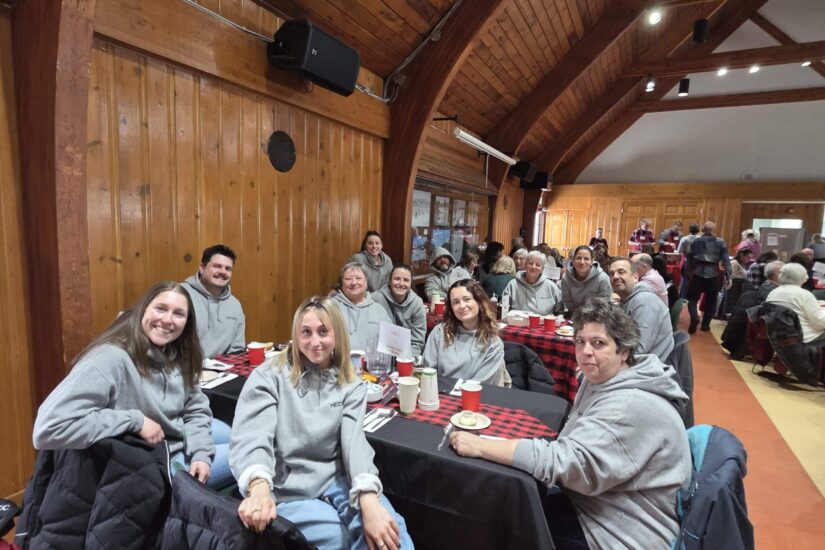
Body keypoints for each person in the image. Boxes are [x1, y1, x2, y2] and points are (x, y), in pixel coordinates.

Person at [449, 298, 691, 549]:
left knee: (502, 520)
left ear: (624, 351)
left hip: (621, 532)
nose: (586, 351)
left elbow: (565, 464)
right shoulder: (604, 378)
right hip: (600, 502)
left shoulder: (628, 404)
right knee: (511, 498)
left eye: (598, 343)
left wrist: (481, 446)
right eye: (580, 341)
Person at [230, 296, 412, 549]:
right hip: (287, 484)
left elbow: (354, 444)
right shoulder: (269, 376)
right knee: (340, 537)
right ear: (296, 335)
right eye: (306, 332)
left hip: (334, 479)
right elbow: (253, 436)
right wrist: (258, 485)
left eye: (323, 331)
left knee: (392, 533)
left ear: (337, 335)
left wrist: (368, 497)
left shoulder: (351, 383)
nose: (315, 341)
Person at [32, 281, 231, 488]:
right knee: (246, 455)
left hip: (173, 434)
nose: (167, 320)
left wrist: (201, 452)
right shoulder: (109, 357)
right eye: (161, 309)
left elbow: (195, 408)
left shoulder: (178, 352)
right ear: (142, 310)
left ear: (187, 322)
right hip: (151, 460)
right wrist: (134, 420)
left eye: (178, 314)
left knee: (236, 435)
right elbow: (48, 429)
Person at [423, 279, 510, 387]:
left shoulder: (493, 343)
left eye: (467, 299)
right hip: (440, 392)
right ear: (451, 308)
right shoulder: (439, 332)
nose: (462, 306)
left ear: (479, 302)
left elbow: (480, 385)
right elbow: (428, 372)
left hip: (474, 394)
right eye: (456, 302)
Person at [182, 244, 245, 358]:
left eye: (228, 268)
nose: (223, 272)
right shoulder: (180, 295)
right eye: (217, 266)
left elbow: (237, 349)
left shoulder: (235, 305)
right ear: (202, 268)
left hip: (224, 367)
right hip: (184, 366)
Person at [609, 258, 674, 362]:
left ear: (635, 277)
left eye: (621, 272)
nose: (615, 276)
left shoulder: (645, 301)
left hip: (649, 366)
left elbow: (638, 351)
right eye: (611, 274)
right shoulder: (627, 300)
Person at [722, 261, 783, 359]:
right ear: (775, 275)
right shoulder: (774, 291)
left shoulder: (767, 286)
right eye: (782, 273)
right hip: (764, 324)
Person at [333, 261, 392, 352]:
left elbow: (390, 342)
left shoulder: (378, 310)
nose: (353, 282)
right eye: (348, 279)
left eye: (358, 278)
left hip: (371, 361)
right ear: (341, 283)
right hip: (339, 360)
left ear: (366, 282)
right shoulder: (331, 307)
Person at [685, 222, 732, 334]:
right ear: (713, 230)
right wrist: (729, 276)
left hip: (697, 273)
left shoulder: (694, 241)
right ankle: (705, 325)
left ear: (703, 229)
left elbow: (688, 258)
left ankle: (694, 317)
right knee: (711, 301)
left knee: (692, 299)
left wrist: (687, 272)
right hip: (714, 274)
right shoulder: (720, 242)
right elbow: (726, 260)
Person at [372, 264, 427, 357]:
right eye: (397, 279)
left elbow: (417, 341)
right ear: (390, 281)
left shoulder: (417, 303)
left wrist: (407, 360)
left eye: (406, 280)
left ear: (411, 284)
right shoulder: (375, 298)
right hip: (380, 356)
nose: (401, 284)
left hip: (407, 356)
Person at [766, 263, 825, 346]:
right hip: (806, 338)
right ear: (802, 276)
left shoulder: (772, 293)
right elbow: (819, 324)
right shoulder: (804, 294)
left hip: (780, 338)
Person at [502, 250, 562, 316]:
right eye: (530, 263)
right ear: (525, 265)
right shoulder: (513, 284)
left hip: (543, 322)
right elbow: (503, 307)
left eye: (538, 265)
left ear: (542, 269)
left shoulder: (551, 286)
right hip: (517, 321)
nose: (533, 267)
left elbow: (560, 310)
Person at [559, 245, 611, 316]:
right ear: (573, 261)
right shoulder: (566, 278)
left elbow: (603, 306)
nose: (582, 262)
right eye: (578, 258)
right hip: (574, 316)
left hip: (597, 317)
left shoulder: (603, 279)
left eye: (586, 259)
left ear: (592, 261)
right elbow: (567, 303)